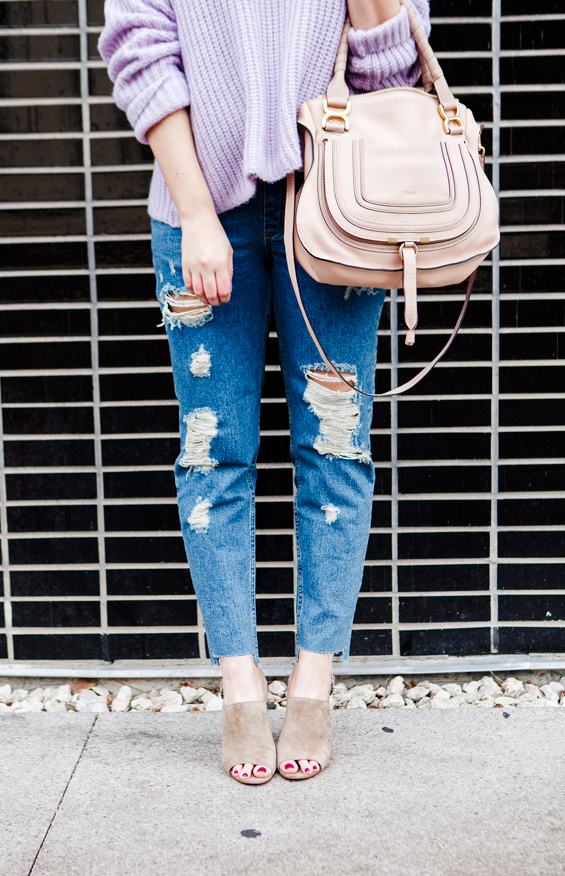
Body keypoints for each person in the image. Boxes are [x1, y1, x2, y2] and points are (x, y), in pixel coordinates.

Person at [98, 0, 430, 784]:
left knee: (336, 439)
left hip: (338, 206)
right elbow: (140, 52)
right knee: (214, 447)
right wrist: (194, 210)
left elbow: (391, 70)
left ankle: (313, 681)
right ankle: (240, 682)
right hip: (197, 209)